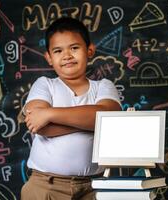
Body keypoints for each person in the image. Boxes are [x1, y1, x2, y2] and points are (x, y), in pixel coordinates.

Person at [21, 17, 121, 200]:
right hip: (45, 186)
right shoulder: (44, 85)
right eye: (58, 51)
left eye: (74, 48)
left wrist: (50, 113)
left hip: (94, 187)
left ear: (89, 50)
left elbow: (109, 119)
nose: (67, 55)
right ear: (49, 58)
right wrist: (93, 123)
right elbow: (42, 127)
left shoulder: (104, 86)